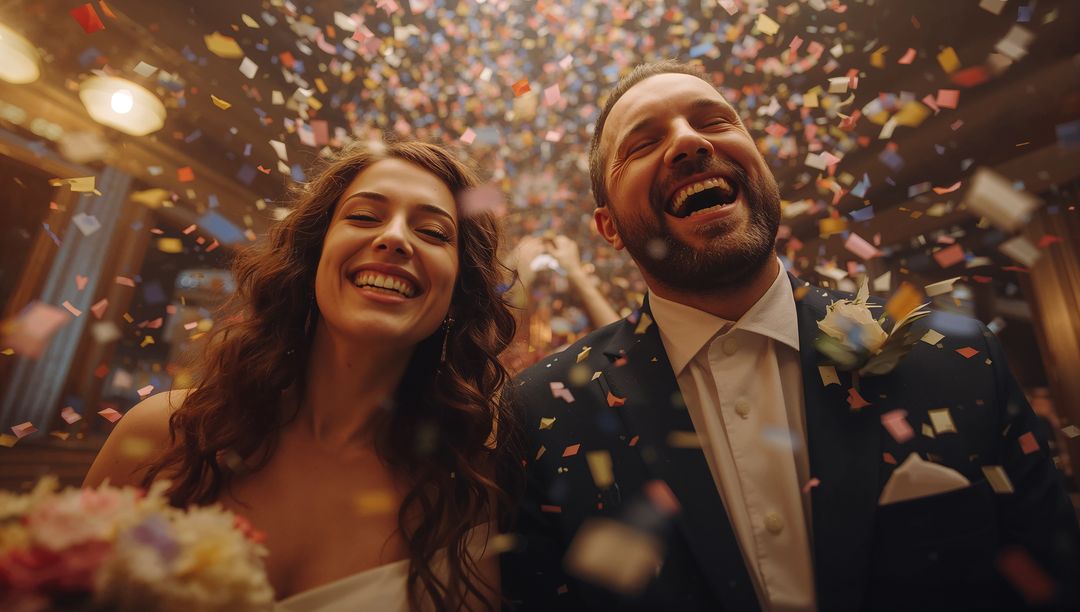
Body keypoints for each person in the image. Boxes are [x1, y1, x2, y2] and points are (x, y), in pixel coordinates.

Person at [500, 61, 1080, 612]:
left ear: (761, 164)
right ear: (608, 228)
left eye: (714, 121)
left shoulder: (956, 355)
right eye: (644, 143)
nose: (689, 143)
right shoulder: (541, 415)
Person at [85, 139, 521, 612]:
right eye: (364, 216)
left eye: (434, 232)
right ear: (313, 258)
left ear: (458, 292)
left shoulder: (474, 497)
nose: (395, 238)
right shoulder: (161, 434)